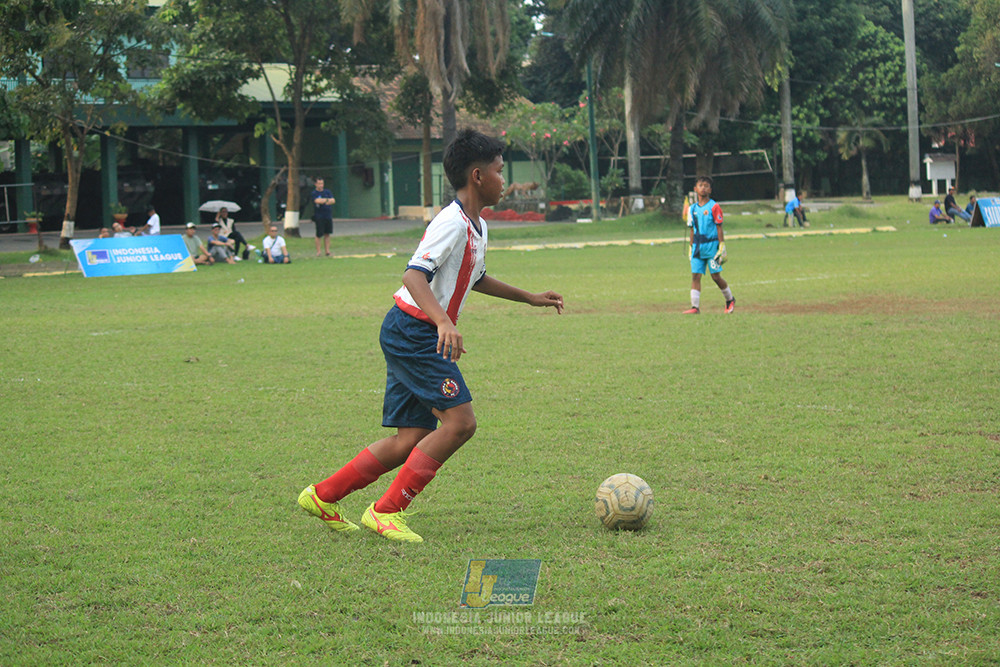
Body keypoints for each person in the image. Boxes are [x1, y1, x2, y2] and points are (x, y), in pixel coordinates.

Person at [297, 129, 564, 543]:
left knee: (411, 438)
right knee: (460, 423)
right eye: (499, 171)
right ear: (477, 176)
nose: (504, 180)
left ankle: (323, 495)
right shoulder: (451, 222)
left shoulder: (477, 224)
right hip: (415, 332)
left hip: (410, 329)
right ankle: (386, 510)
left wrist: (529, 297)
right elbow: (413, 275)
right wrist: (443, 322)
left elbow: (474, 277)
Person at [684, 175, 735, 314]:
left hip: (712, 247)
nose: (703, 188)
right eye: (700, 185)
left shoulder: (714, 206)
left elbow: (719, 227)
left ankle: (730, 300)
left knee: (716, 276)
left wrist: (721, 246)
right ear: (695, 189)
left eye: (706, 186)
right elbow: (692, 229)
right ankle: (695, 307)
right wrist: (690, 247)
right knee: (695, 276)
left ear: (710, 190)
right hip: (697, 248)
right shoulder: (692, 209)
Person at [311, 177, 335, 257]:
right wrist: (327, 200)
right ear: (316, 184)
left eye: (322, 183)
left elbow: (333, 200)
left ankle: (327, 251)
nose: (321, 185)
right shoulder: (314, 193)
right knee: (319, 234)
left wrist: (324, 200)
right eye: (319, 183)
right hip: (319, 216)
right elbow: (317, 201)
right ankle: (318, 251)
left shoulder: (327, 192)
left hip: (328, 216)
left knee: (327, 234)